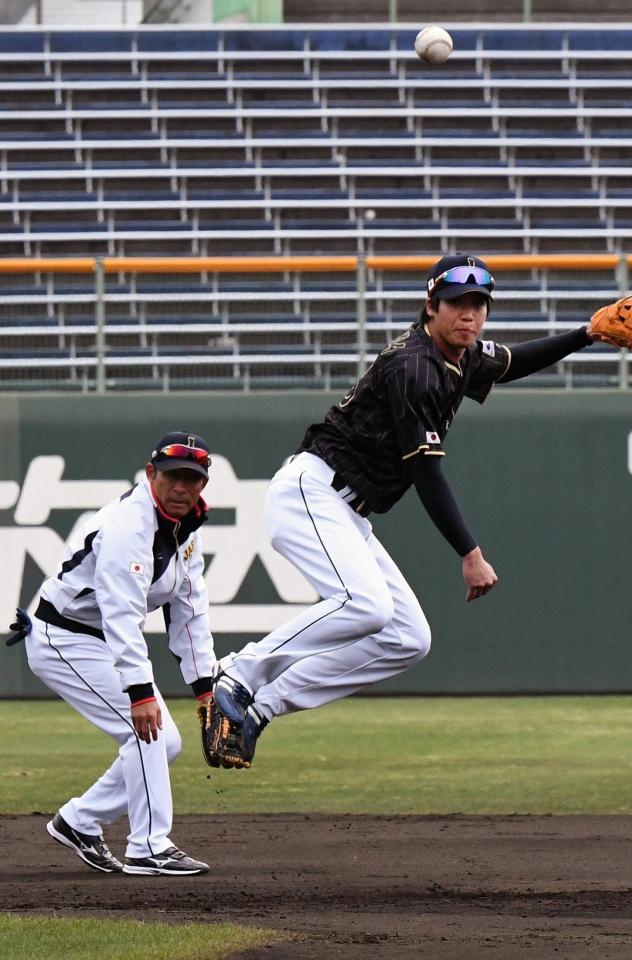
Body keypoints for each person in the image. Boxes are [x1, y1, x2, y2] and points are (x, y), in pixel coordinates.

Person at [212, 254, 599, 766]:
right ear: (430, 306)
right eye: (458, 303)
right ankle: (240, 673)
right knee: (366, 605)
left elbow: (513, 362)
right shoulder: (414, 365)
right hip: (313, 492)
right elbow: (425, 473)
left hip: (348, 509)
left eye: (479, 305)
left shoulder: (457, 356)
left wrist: (588, 332)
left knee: (407, 639)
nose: (470, 315)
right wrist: (470, 552)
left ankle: (260, 707)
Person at [20, 431, 216, 876]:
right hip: (64, 637)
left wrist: (205, 688)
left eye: (192, 478)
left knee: (164, 740)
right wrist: (140, 693)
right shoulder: (129, 526)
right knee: (144, 729)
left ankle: (79, 821)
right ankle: (149, 846)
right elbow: (122, 616)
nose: (181, 487)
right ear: (151, 474)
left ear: (203, 484)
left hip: (96, 639)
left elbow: (190, 610)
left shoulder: (185, 528)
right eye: (172, 477)